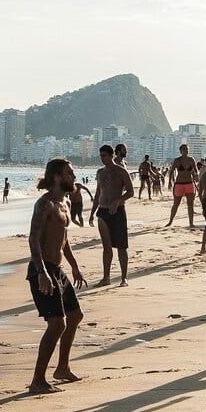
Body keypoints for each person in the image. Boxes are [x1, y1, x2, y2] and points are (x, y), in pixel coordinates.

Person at [27, 159, 88, 394]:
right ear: (56, 177)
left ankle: (62, 367)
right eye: (69, 173)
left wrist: (74, 266)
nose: (73, 177)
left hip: (57, 269)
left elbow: (63, 239)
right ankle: (38, 381)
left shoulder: (66, 202)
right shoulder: (45, 205)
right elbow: (33, 239)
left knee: (75, 316)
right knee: (56, 324)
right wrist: (42, 272)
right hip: (41, 269)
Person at [92, 144, 134, 286]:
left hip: (118, 211)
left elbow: (130, 191)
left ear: (111, 155)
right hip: (103, 211)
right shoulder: (100, 172)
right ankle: (106, 277)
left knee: (122, 246)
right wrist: (92, 212)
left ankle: (124, 278)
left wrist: (118, 201)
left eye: (105, 156)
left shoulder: (121, 171)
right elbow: (98, 193)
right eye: (101, 156)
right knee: (106, 246)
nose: (102, 158)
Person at [165, 144, 199, 227]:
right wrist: (170, 182)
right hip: (179, 183)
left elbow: (196, 170)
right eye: (184, 149)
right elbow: (171, 171)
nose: (185, 151)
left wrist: (195, 175)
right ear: (180, 151)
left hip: (189, 183)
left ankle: (191, 223)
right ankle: (170, 221)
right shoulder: (177, 160)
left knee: (190, 204)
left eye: (187, 149)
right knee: (176, 204)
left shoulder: (191, 160)